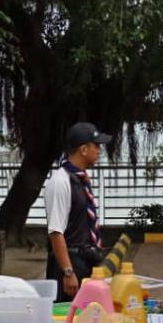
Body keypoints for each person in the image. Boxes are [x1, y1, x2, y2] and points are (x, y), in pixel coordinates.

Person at [44, 122, 111, 298]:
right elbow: (56, 232)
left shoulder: (80, 180)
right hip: (70, 264)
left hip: (86, 260)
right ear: (83, 149)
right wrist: (68, 272)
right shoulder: (60, 181)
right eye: (96, 146)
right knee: (67, 319)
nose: (99, 151)